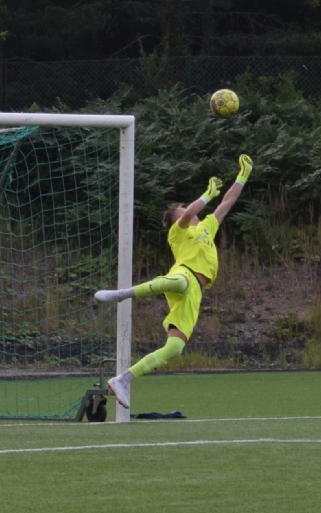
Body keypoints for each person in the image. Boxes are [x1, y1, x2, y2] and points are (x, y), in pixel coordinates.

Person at [94, 154, 253, 410]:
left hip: (196, 293)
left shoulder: (207, 226)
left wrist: (243, 176)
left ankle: (122, 380)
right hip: (184, 274)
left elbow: (228, 202)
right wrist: (206, 195)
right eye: (183, 212)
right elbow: (189, 212)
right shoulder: (176, 233)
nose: (189, 212)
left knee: (175, 348)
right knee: (179, 282)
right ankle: (123, 294)